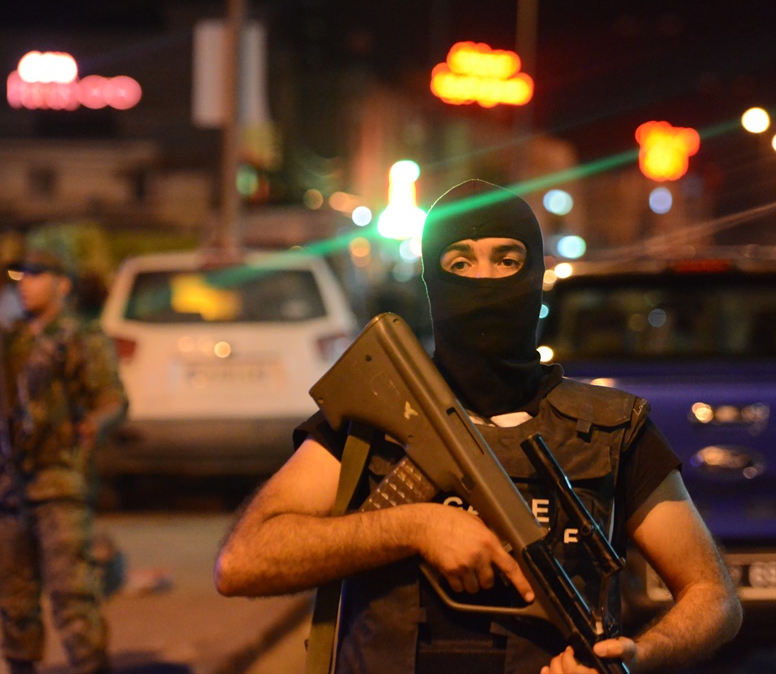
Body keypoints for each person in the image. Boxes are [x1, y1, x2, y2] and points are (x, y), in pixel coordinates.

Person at [215, 180, 742, 674]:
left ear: (535, 274)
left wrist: (638, 654)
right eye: (460, 263)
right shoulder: (374, 419)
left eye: (507, 260)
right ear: (431, 282)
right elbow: (244, 561)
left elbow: (714, 597)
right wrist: (414, 527)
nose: (485, 281)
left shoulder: (609, 432)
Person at [0, 248, 128, 674]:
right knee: (12, 597)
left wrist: (92, 426)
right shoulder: (6, 340)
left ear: (62, 284)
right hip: (6, 485)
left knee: (73, 595)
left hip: (58, 483)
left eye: (35, 275)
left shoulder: (82, 338)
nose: (24, 284)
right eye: (20, 276)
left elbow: (113, 399)